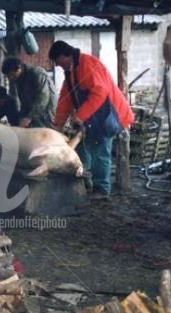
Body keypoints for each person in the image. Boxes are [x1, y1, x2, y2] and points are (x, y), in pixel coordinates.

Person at [48, 40, 134, 196]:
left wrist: (80, 116)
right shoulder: (70, 71)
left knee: (99, 150)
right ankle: (87, 181)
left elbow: (99, 93)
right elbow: (65, 99)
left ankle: (101, 190)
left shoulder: (88, 65)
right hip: (94, 116)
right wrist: (58, 125)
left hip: (110, 114)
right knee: (85, 148)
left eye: (59, 63)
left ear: (65, 56)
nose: (59, 66)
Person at [0, 56, 56, 128]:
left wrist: (29, 117)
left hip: (47, 114)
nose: (11, 78)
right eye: (8, 76)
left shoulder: (37, 73)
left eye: (12, 75)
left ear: (19, 68)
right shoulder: (18, 80)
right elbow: (24, 102)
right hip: (34, 115)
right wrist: (22, 118)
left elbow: (43, 98)